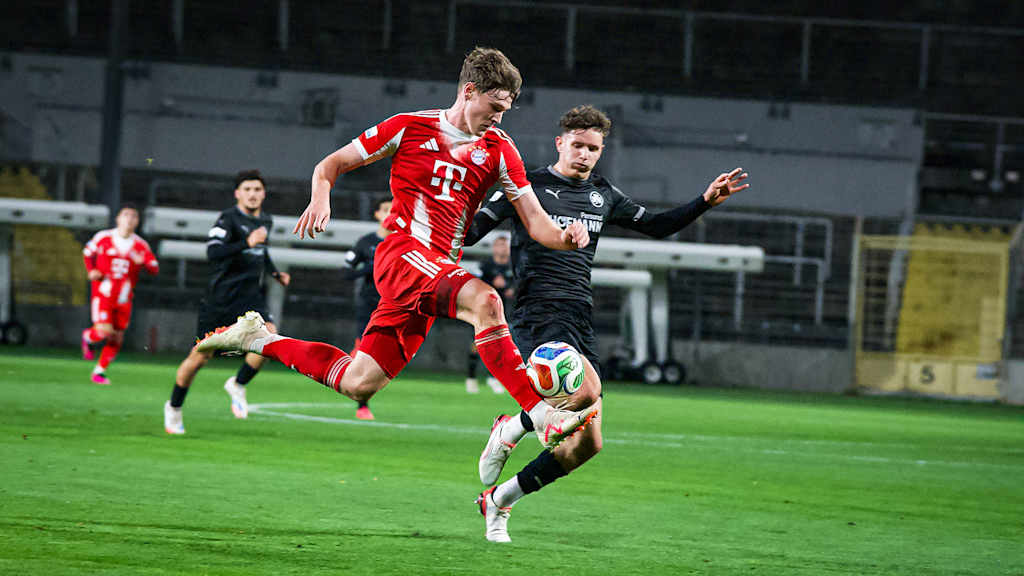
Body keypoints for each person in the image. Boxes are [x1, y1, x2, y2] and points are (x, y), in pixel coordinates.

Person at [195, 47, 598, 450]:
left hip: (436, 270)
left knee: (359, 382)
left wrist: (564, 237)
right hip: (402, 254)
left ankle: (258, 340)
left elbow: (535, 220)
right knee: (486, 302)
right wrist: (321, 197)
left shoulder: (500, 149)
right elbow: (329, 165)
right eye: (494, 108)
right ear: (469, 91)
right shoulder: (409, 127)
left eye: (505, 111)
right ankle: (541, 416)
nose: (498, 118)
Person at [465, 104, 750, 542]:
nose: (584, 154)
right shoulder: (527, 187)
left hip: (580, 316)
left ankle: (500, 499)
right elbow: (471, 231)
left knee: (587, 445)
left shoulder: (603, 194)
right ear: (560, 143)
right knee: (586, 391)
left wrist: (704, 201)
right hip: (537, 312)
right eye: (577, 145)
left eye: (593, 148)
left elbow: (656, 226)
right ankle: (514, 426)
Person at [163, 170, 291, 434]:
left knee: (270, 340)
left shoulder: (265, 220)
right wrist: (246, 242)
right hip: (220, 300)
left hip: (250, 298)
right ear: (237, 194)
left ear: (264, 193)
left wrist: (274, 273)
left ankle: (238, 384)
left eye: (257, 189)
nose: (252, 194)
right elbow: (213, 252)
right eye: (247, 189)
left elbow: (260, 251)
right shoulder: (227, 219)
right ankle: (174, 407)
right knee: (200, 358)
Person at [80, 204, 159, 384]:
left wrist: (143, 262)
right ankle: (88, 337)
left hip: (124, 297)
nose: (129, 219)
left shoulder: (140, 245)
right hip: (103, 293)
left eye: (134, 216)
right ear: (118, 219)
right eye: (126, 215)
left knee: (117, 337)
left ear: (137, 221)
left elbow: (154, 268)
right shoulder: (103, 237)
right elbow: (87, 253)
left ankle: (99, 372)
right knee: (104, 332)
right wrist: (91, 270)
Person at [342, 197, 393, 420]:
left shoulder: (405, 241)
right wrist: (368, 269)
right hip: (369, 306)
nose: (390, 213)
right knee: (364, 352)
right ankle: (362, 404)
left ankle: (352, 378)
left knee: (385, 356)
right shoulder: (366, 243)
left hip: (394, 306)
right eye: (386, 209)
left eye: (394, 209)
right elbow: (346, 272)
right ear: (377, 214)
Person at [466, 233, 514, 394]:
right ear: (494, 248)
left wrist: (511, 289)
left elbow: (518, 285)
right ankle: (471, 378)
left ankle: (493, 378)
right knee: (477, 345)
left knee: (501, 346)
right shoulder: (485, 267)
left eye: (505, 245)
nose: (503, 248)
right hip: (482, 312)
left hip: (504, 313)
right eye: (499, 245)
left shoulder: (513, 267)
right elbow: (474, 285)